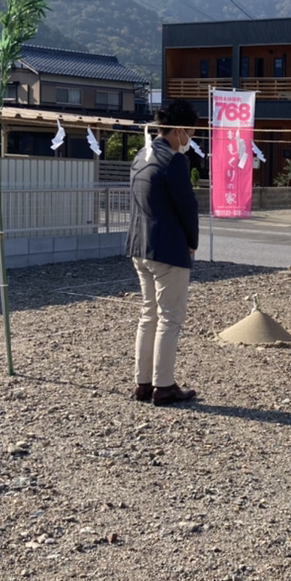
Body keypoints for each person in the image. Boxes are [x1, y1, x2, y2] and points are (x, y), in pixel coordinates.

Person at [127, 99, 200, 405]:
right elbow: (187, 207)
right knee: (170, 319)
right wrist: (192, 243)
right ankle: (164, 386)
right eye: (191, 133)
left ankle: (143, 383)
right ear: (179, 130)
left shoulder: (140, 157)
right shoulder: (173, 161)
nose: (191, 140)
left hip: (139, 245)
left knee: (149, 316)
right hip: (168, 248)